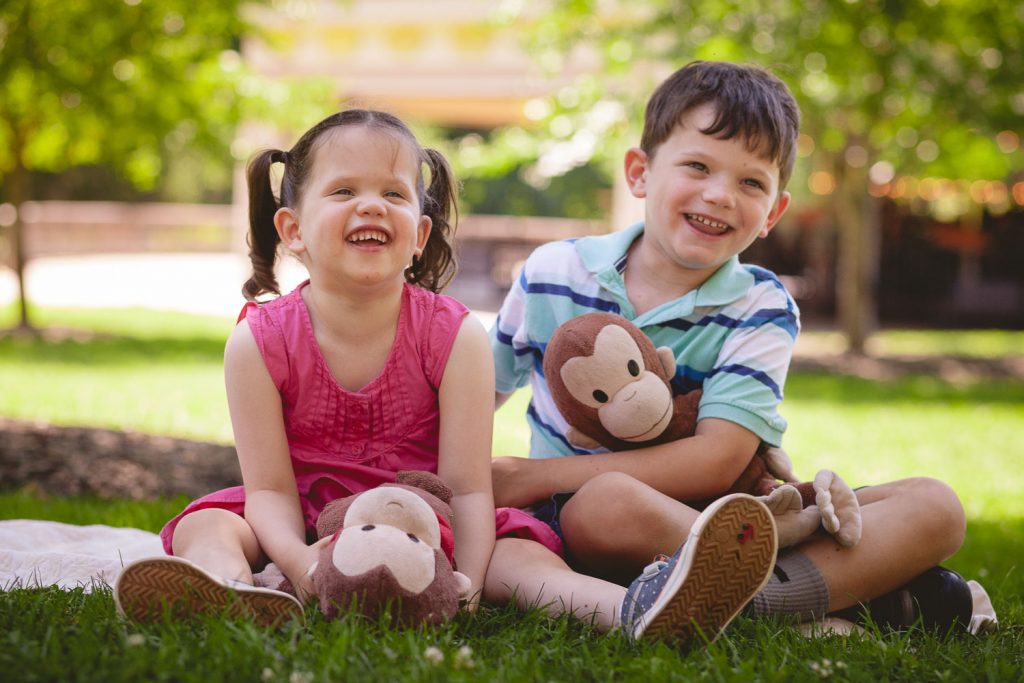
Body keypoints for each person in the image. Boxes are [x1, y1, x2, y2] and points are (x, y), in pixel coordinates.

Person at [484, 61, 968, 641]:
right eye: (697, 166)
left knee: (937, 506)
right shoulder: (552, 272)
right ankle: (819, 603)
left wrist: (529, 475)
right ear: (640, 172)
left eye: (751, 183)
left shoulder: (761, 304)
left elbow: (716, 459)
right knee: (603, 501)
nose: (719, 195)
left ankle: (731, 601)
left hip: (735, 519)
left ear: (774, 212)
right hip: (598, 526)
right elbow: (478, 394)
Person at [114, 109, 498, 626]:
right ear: (293, 229)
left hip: (416, 528)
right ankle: (226, 587)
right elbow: (268, 490)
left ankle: (616, 607)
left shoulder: (456, 337)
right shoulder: (258, 342)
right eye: (343, 192)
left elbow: (468, 490)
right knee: (205, 524)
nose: (371, 206)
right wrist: (300, 563)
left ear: (419, 235)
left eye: (394, 194)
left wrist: (465, 582)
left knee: (514, 554)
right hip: (298, 523)